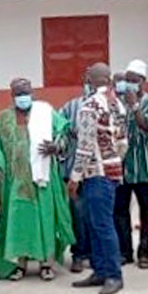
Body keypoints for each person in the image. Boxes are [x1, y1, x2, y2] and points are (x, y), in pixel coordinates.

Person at [0, 78, 75, 281]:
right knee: (18, 221)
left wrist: (57, 146)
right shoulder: (1, 120)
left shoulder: (45, 114)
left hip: (43, 179)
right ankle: (20, 264)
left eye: (25, 92)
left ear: (32, 94)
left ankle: (46, 264)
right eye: (18, 93)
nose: (23, 97)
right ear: (12, 96)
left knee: (45, 218)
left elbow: (65, 134)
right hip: (15, 182)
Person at [69, 62, 127, 294]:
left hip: (95, 172)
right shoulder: (117, 104)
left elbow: (83, 146)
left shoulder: (90, 106)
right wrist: (114, 160)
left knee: (101, 224)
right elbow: (124, 142)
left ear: (90, 79)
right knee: (99, 223)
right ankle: (101, 270)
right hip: (113, 170)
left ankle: (113, 274)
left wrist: (75, 177)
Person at [115, 59, 148, 269]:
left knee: (145, 211)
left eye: (133, 80)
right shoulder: (116, 102)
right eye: (127, 80)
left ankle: (144, 252)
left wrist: (135, 106)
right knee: (120, 210)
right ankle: (125, 252)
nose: (129, 84)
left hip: (145, 166)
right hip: (122, 167)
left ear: (143, 81)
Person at [59, 70, 93, 274]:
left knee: (97, 216)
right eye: (87, 81)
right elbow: (59, 131)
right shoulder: (70, 106)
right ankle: (79, 255)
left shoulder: (110, 106)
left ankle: (95, 254)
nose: (90, 85)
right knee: (78, 215)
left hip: (98, 172)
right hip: (74, 170)